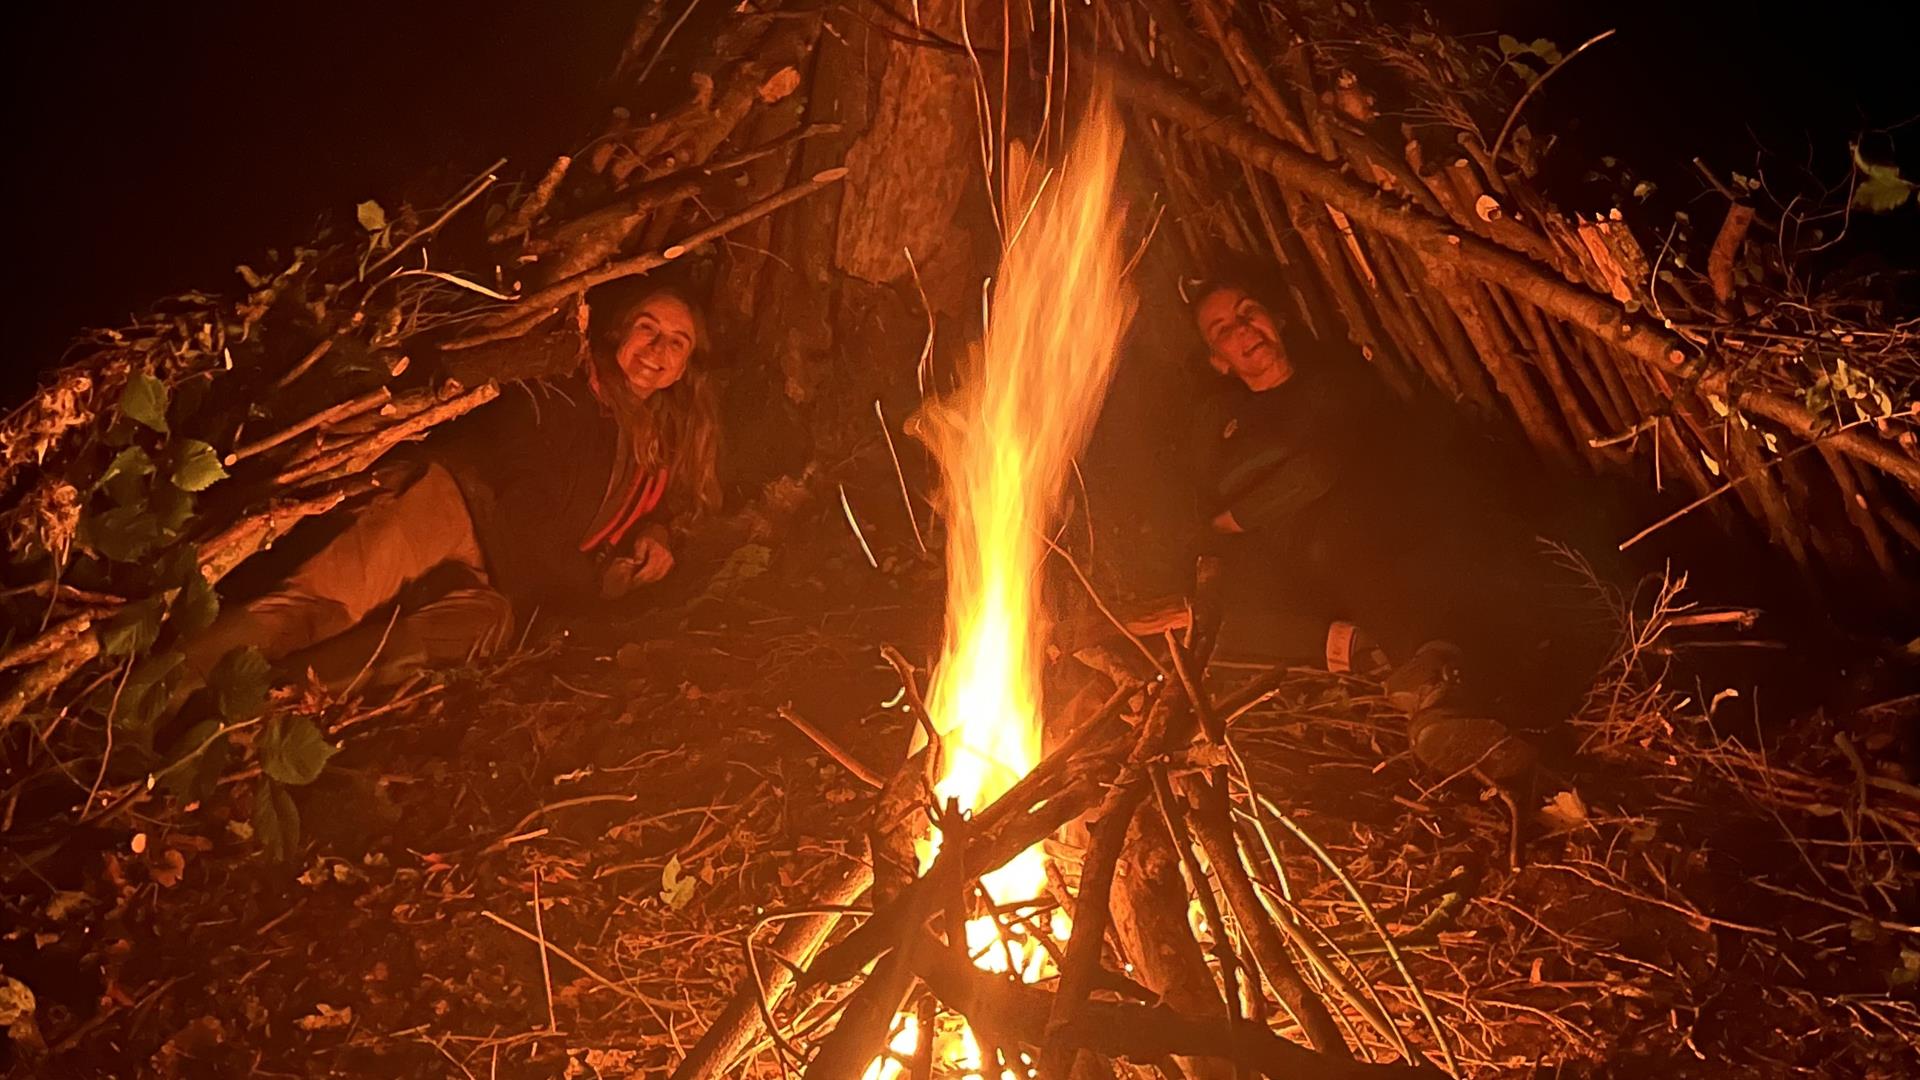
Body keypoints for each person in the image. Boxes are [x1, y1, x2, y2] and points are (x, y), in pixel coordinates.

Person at [178, 285, 721, 697]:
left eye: (677, 342)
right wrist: (590, 581)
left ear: (688, 363)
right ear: (616, 332)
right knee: (320, 605)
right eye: (647, 329)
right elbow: (523, 503)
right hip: (457, 506)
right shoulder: (565, 387)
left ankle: (266, 709)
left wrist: (658, 529)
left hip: (506, 576)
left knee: (437, 641)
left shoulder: (658, 431)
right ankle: (159, 691)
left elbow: (667, 503)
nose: (658, 349)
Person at [1186, 276, 1609, 754]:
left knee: (1444, 523)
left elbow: (1319, 468)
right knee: (1354, 540)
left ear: (1277, 318)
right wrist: (1240, 517)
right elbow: (1247, 484)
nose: (1243, 330)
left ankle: (1485, 703)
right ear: (1217, 361)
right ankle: (1436, 690)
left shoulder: (1334, 384)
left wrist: (1236, 516)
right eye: (1222, 330)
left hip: (1387, 515)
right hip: (1321, 546)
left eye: (1248, 311)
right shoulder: (1231, 424)